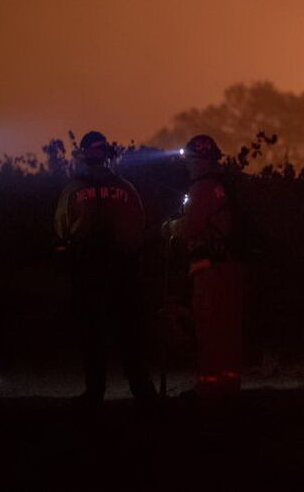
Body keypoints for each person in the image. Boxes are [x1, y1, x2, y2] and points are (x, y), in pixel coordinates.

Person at [54, 131, 156, 406]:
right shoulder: (126, 189)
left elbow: (62, 227)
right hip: (121, 270)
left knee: (94, 333)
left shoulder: (73, 190)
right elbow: (139, 226)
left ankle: (96, 390)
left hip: (90, 270)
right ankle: (141, 389)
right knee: (128, 332)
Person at [167, 134, 246, 398]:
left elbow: (190, 228)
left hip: (209, 268)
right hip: (231, 266)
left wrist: (169, 228)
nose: (188, 165)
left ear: (198, 160)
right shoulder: (225, 186)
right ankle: (229, 385)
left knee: (209, 328)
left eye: (190, 160)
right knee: (227, 329)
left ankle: (208, 386)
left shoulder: (201, 188)